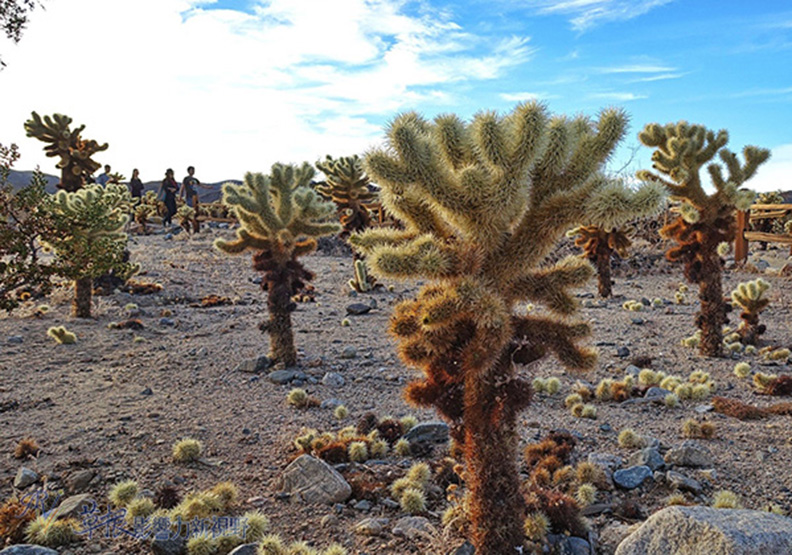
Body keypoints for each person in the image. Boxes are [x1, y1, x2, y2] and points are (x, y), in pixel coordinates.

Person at [180, 166, 210, 231]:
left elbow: (200, 185)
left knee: (196, 210)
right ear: (188, 171)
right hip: (189, 196)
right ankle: (185, 223)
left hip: (195, 196)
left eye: (193, 170)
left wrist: (208, 187)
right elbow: (182, 187)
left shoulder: (195, 179)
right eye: (191, 170)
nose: (193, 171)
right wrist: (180, 196)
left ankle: (195, 228)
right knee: (190, 211)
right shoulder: (186, 179)